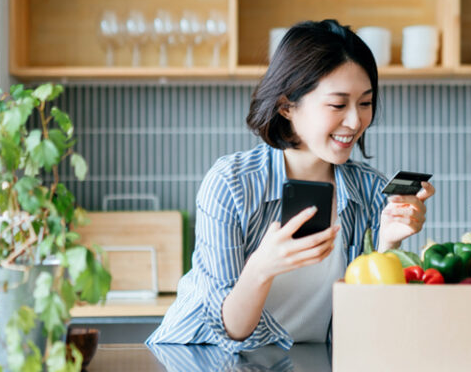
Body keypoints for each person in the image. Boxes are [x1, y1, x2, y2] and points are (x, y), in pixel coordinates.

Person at [146, 19, 435, 354]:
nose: (356, 121)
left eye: (365, 103)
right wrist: (261, 267)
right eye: (338, 104)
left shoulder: (372, 192)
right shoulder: (232, 184)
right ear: (287, 105)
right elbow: (231, 330)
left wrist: (388, 245)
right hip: (202, 357)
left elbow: (368, 326)